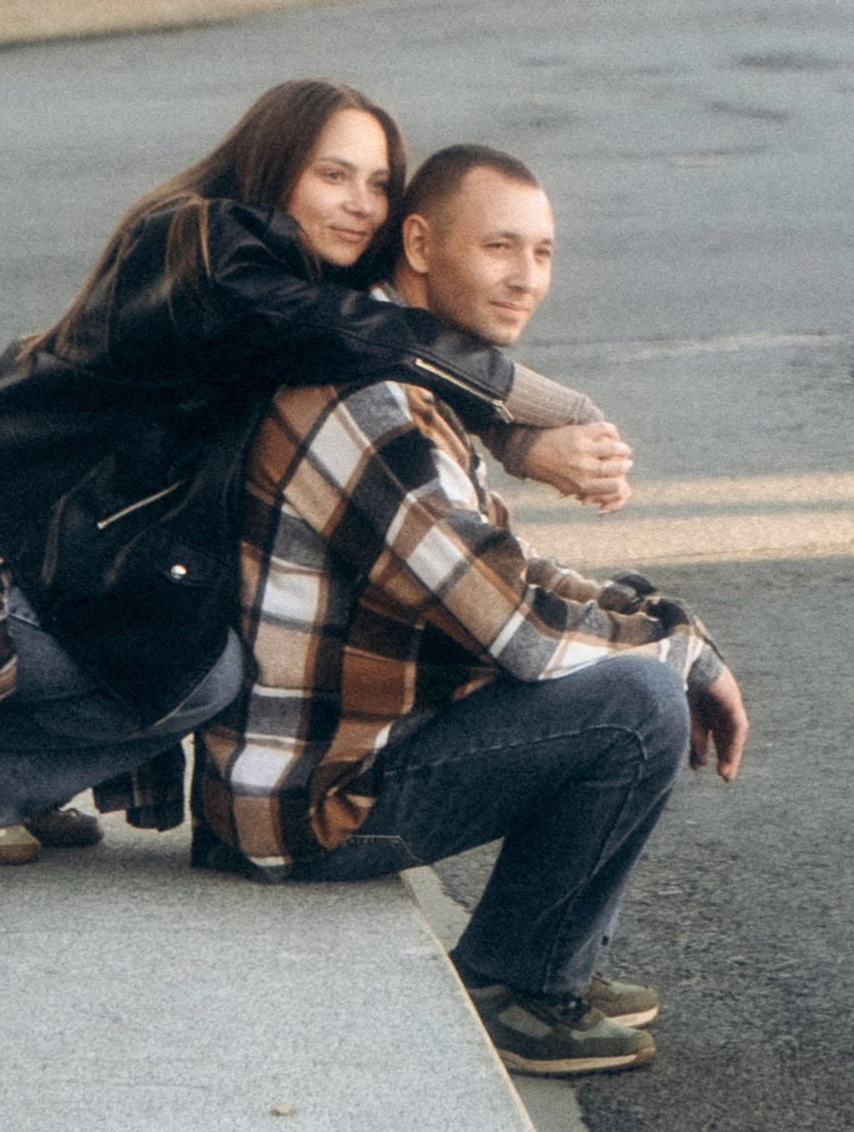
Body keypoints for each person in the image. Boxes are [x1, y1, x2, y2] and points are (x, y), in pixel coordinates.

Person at [0, 78, 629, 873]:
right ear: (273, 166)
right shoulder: (202, 247)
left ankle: (9, 779)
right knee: (199, 672)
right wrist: (543, 409)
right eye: (334, 175)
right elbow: (357, 330)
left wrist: (511, 439)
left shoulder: (290, 283)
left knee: (192, 646)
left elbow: (365, 341)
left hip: (36, 544)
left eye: (379, 183)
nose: (361, 203)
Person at [194, 142, 747, 1083]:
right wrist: (679, 656)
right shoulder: (376, 404)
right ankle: (516, 984)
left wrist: (674, 633)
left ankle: (547, 954)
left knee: (629, 671)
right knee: (633, 706)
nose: (525, 278)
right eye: (499, 247)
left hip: (313, 765)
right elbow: (517, 629)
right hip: (306, 809)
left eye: (542, 253)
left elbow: (499, 569)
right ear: (419, 243)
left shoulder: (400, 368)